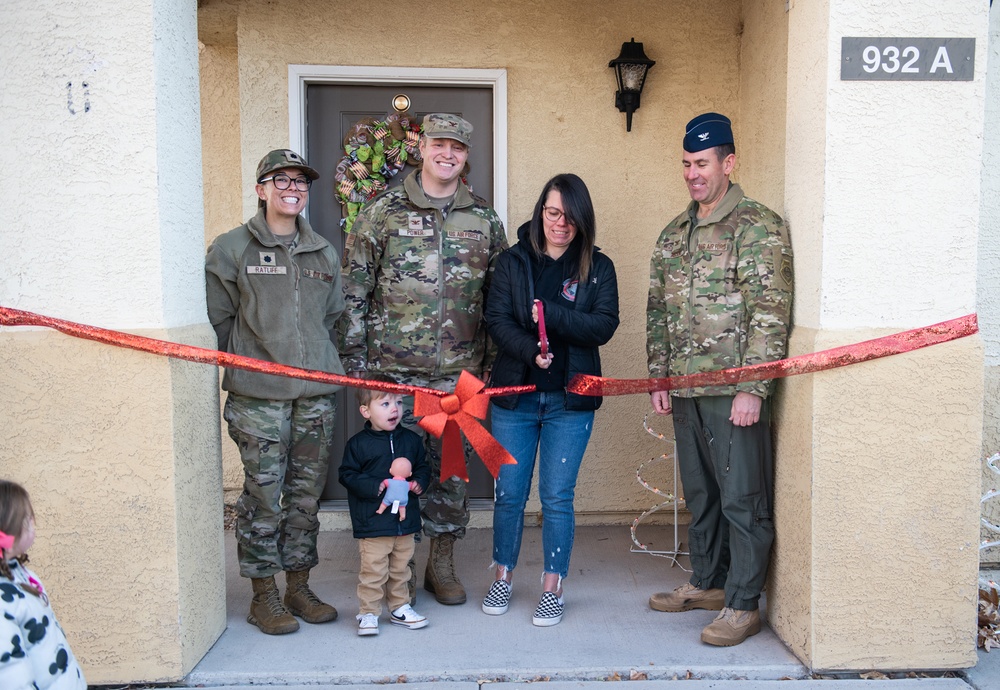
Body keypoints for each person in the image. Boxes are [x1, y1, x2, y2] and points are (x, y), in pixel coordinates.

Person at [339, 113, 508, 605]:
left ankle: (442, 563)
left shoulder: (483, 218)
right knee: (398, 468)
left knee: (451, 475)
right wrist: (356, 365)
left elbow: (498, 298)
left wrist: (491, 366)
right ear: (422, 147)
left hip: (460, 377)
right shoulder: (382, 211)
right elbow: (354, 289)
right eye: (439, 144)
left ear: (466, 155)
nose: (447, 154)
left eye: (457, 147)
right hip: (394, 375)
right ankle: (400, 569)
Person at [646, 113, 793, 646]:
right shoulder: (673, 233)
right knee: (702, 494)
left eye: (702, 163)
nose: (692, 174)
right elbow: (659, 311)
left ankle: (743, 602)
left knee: (742, 497)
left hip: (733, 396)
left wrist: (754, 387)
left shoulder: (758, 226)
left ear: (728, 163)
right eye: (686, 164)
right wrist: (657, 378)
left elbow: (770, 312)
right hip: (686, 391)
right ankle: (708, 583)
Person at [205, 149, 344, 635]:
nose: (292, 188)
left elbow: (332, 319)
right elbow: (219, 320)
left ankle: (298, 586)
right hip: (259, 398)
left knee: (305, 497)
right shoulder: (231, 248)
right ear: (261, 188)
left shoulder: (323, 251)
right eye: (280, 180)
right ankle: (263, 594)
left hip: (315, 396)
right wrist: (252, 362)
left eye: (301, 182)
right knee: (264, 496)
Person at [482, 173, 620, 626]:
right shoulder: (511, 262)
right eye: (553, 212)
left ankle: (552, 586)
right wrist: (529, 350)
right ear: (541, 210)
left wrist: (552, 316)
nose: (560, 224)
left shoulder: (598, 267)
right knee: (510, 495)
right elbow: (497, 321)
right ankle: (502, 576)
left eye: (571, 217)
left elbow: (603, 325)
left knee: (557, 496)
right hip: (515, 399)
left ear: (583, 221)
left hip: (571, 401)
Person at [339, 376, 431, 636]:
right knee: (374, 570)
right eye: (386, 403)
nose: (395, 409)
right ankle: (368, 612)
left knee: (401, 568)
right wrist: (374, 486)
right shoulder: (357, 444)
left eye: (399, 402)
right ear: (366, 411)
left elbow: (423, 467)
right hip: (373, 521)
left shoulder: (411, 441)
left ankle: (399, 607)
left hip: (405, 521)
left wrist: (418, 483)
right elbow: (346, 474)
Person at [0, 480, 87, 690]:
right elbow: (10, 674)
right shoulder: (3, 599)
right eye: (27, 521)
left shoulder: (20, 574)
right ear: (8, 531)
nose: (33, 525)